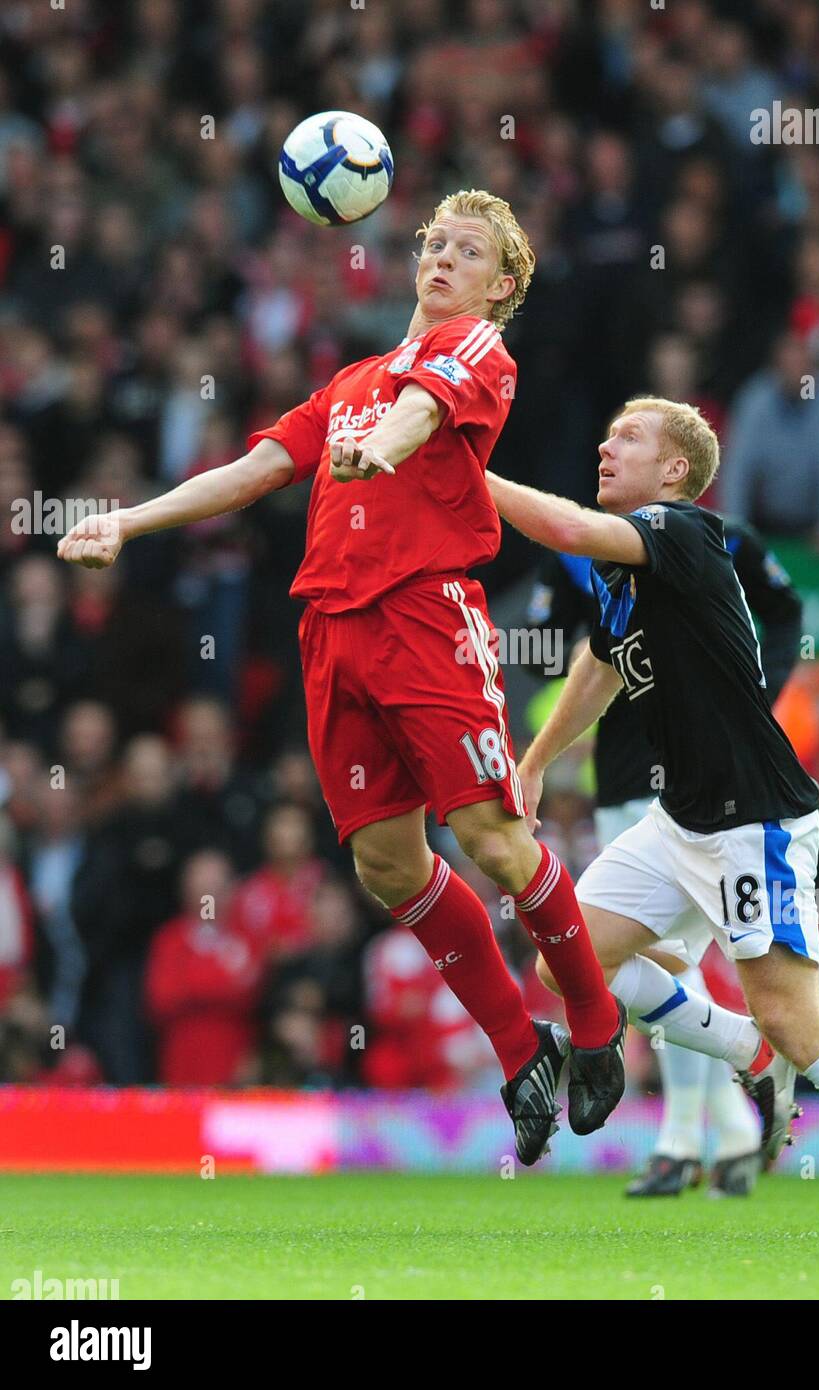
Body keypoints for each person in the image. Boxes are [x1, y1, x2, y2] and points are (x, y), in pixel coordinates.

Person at [57, 189, 626, 1165]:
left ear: (501, 286)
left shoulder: (478, 351)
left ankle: (591, 1016)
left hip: (423, 617)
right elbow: (255, 468)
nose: (442, 257)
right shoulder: (350, 380)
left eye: (468, 250)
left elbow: (416, 416)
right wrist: (129, 518)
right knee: (386, 865)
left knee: (492, 837)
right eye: (434, 241)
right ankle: (516, 1046)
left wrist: (378, 448)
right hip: (330, 631)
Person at [485, 394, 819, 1235]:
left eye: (626, 436)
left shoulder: (684, 530)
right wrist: (533, 761)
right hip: (678, 820)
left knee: (794, 1012)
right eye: (605, 431)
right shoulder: (624, 564)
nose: (604, 444)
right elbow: (599, 661)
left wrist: (464, 475)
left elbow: (565, 531)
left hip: (754, 819)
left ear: (674, 471)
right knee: (565, 964)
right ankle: (747, 1050)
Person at [523, 509, 804, 1197]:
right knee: (668, 961)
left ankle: (689, 1136)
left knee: (666, 963)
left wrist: (757, 695)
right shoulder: (576, 552)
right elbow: (538, 645)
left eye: (626, 442)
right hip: (626, 770)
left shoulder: (724, 539)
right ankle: (719, 1129)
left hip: (714, 782)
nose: (606, 455)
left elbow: (786, 610)